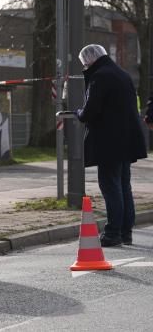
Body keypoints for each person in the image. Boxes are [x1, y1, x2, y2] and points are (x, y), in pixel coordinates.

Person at [76, 44, 147, 247]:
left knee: (110, 186)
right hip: (128, 140)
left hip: (109, 142)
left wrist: (78, 113)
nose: (85, 68)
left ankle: (112, 233)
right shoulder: (121, 74)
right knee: (124, 186)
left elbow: (90, 111)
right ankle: (126, 232)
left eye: (84, 64)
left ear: (89, 60)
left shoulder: (100, 76)